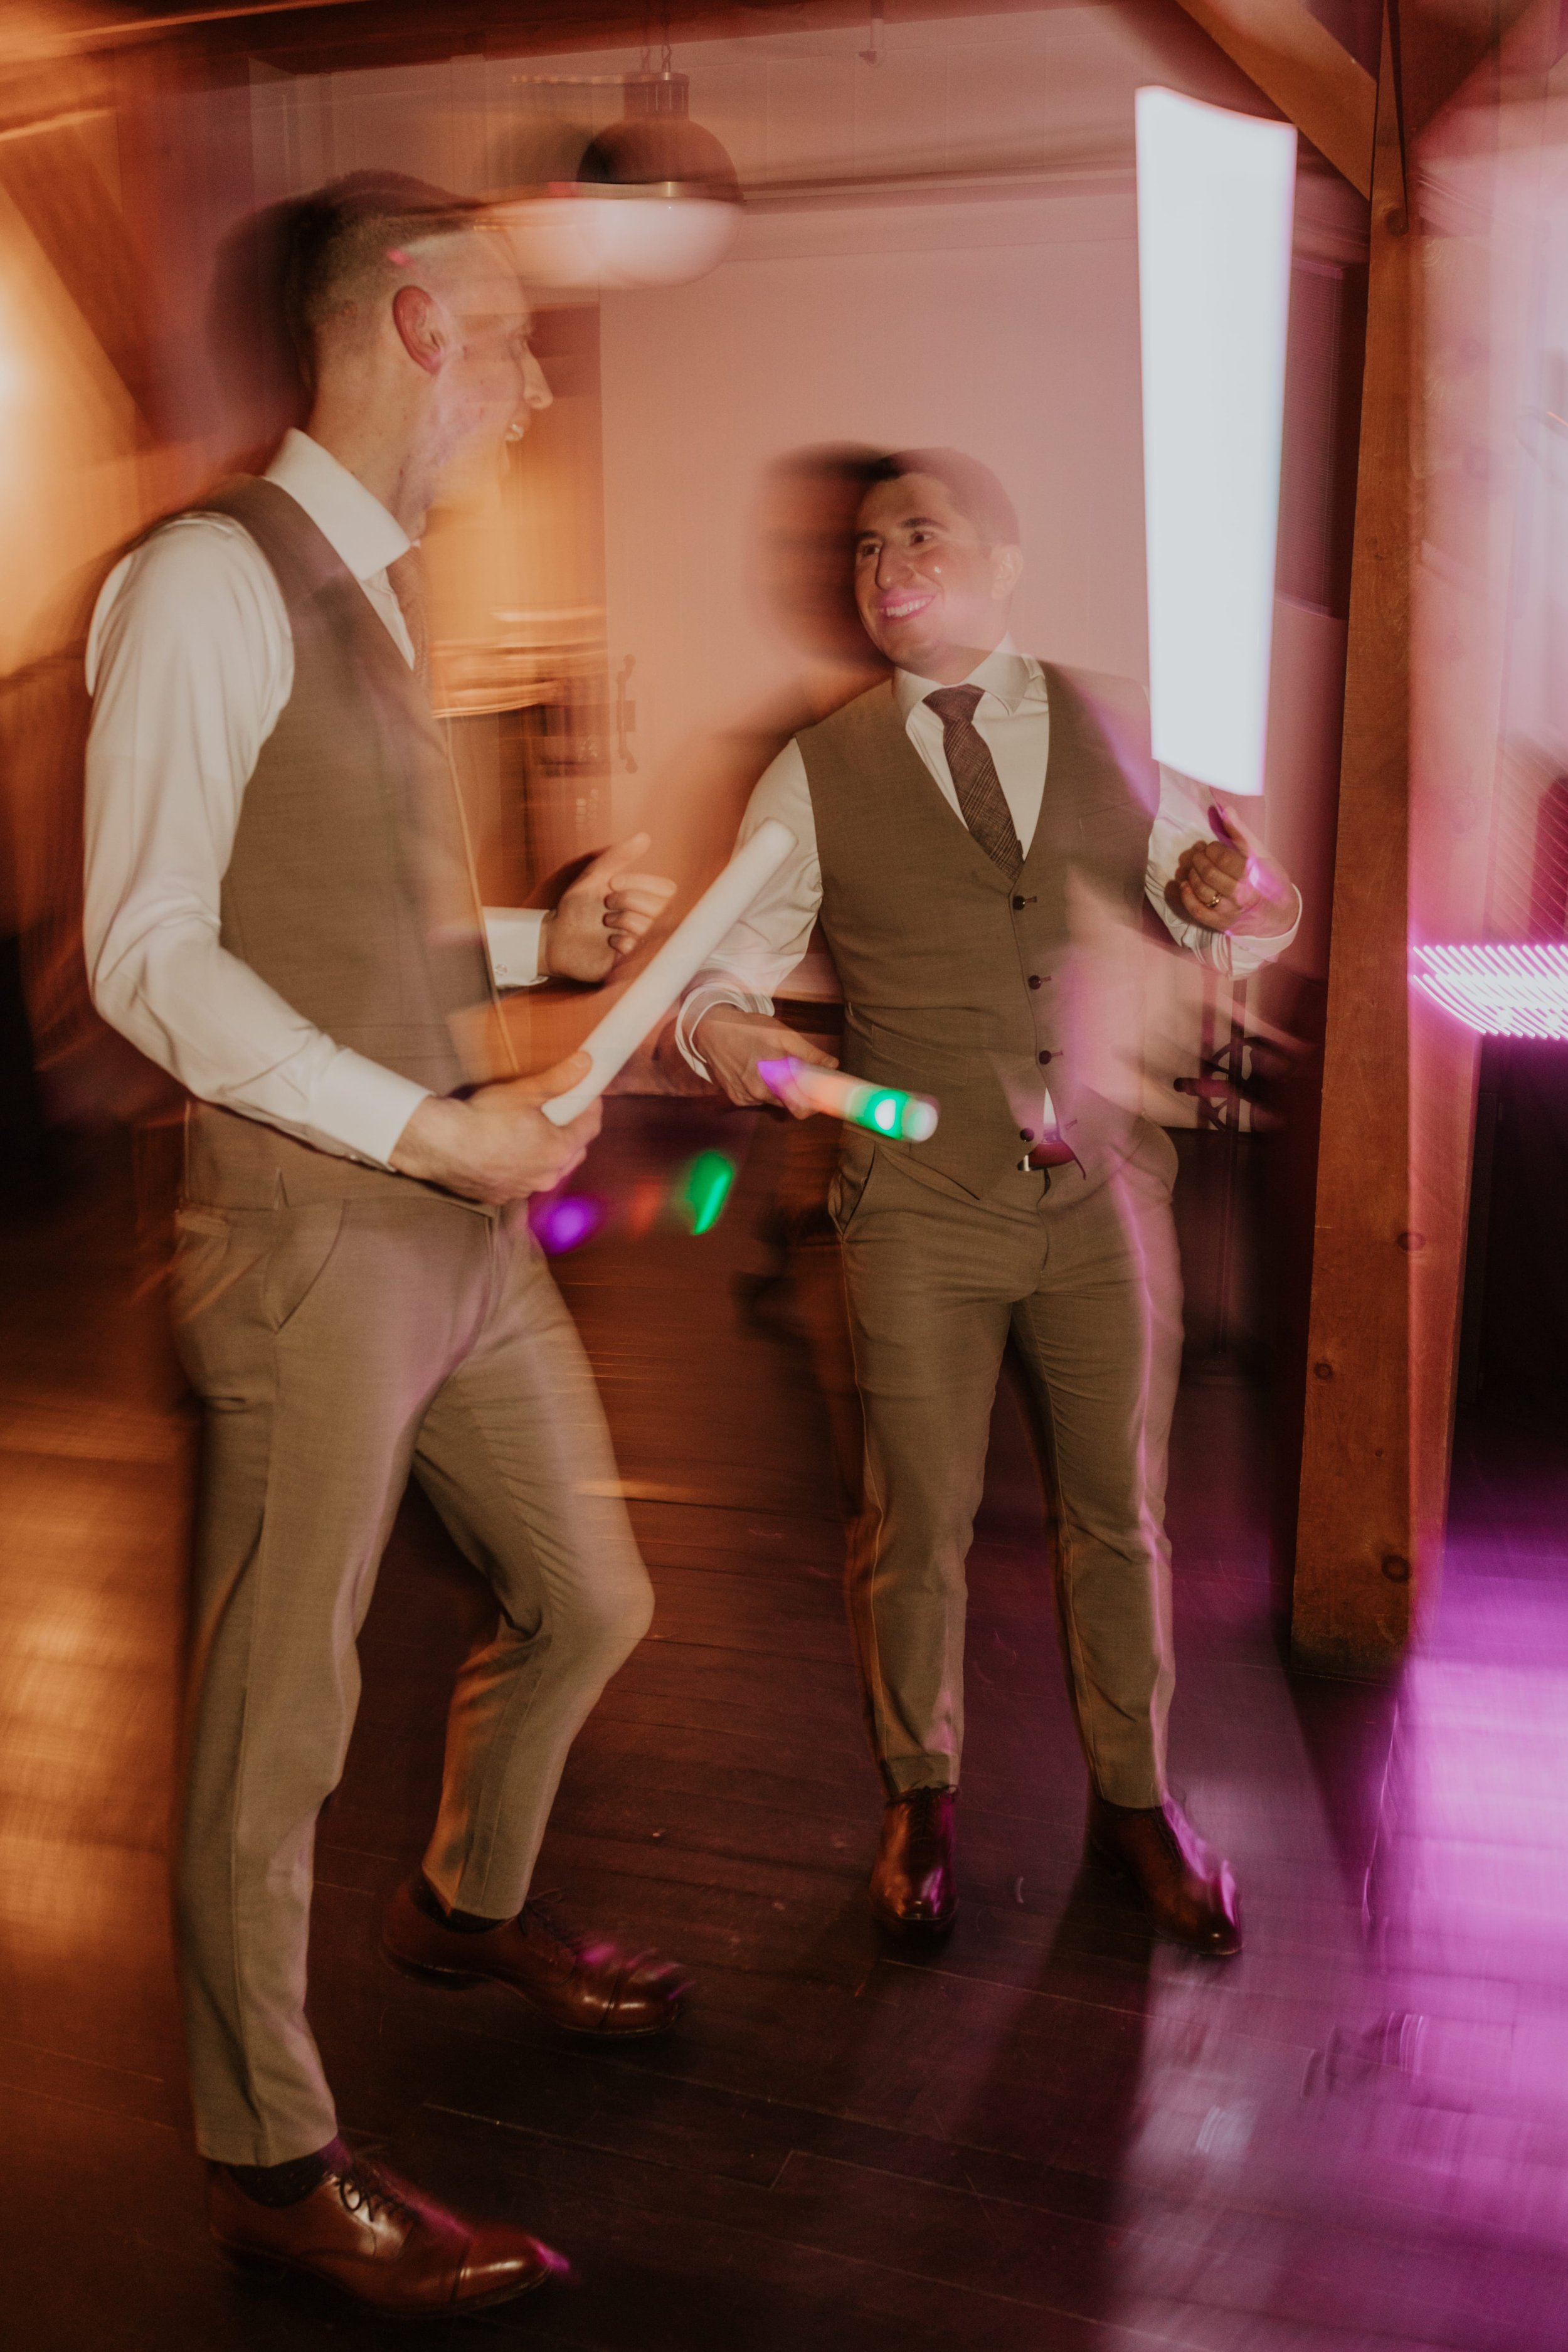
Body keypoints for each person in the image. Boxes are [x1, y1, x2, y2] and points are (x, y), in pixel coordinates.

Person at [83, 173, 686, 2315]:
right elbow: (149, 955)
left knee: (593, 1593)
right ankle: (267, 2155)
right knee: (278, 1729)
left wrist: (537, 938)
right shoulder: (202, 581)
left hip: (456, 1226)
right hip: (314, 1249)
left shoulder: (381, 589)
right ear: (414, 321)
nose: (534, 382)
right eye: (509, 335)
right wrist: (441, 1126)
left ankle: (465, 1902)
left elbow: (344, 918)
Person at [679, 448, 1300, 1956]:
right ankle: (920, 1796)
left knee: (1117, 1517)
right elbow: (716, 975)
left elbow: (1235, 898)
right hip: (915, 1209)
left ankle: (1135, 1806)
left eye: (921, 534)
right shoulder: (813, 770)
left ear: (1001, 562)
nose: (885, 564)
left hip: (1099, 1202)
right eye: (864, 546)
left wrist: (1238, 902)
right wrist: (730, 1037)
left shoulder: (1107, 721)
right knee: (913, 1521)